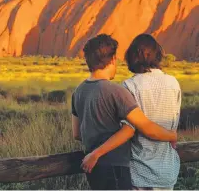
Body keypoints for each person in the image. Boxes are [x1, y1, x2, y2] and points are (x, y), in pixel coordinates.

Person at [71, 34, 177, 190]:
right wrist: (172, 135)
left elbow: (77, 134)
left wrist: (94, 151)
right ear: (113, 59)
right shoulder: (116, 91)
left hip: (93, 169)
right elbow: (139, 128)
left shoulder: (78, 91)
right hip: (115, 167)